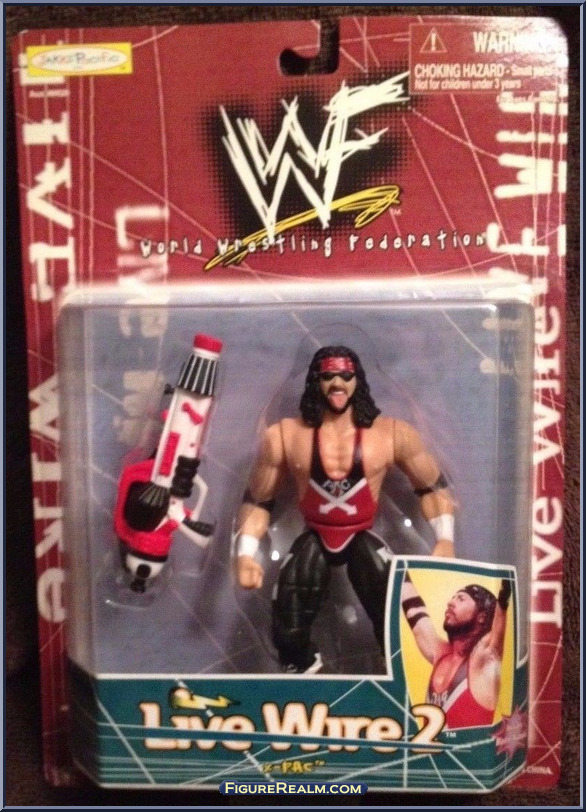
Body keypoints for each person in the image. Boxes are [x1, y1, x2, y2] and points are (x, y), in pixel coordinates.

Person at [235, 345, 455, 673]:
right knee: (288, 627)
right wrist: (245, 555)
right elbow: (258, 500)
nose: (337, 383)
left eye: (345, 375)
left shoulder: (392, 434)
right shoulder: (284, 435)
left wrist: (445, 540)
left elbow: (433, 488)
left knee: (398, 617)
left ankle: (399, 672)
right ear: (316, 381)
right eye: (328, 376)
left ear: (357, 380)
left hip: (361, 536)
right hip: (315, 536)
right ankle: (307, 677)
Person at [401, 572, 511, 728]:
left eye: (461, 599)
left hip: (471, 745)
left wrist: (504, 595)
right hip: (428, 745)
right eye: (453, 598)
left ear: (481, 616)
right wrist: (396, 568)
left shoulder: (483, 660)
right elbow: (413, 610)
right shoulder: (440, 653)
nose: (450, 603)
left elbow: (498, 628)